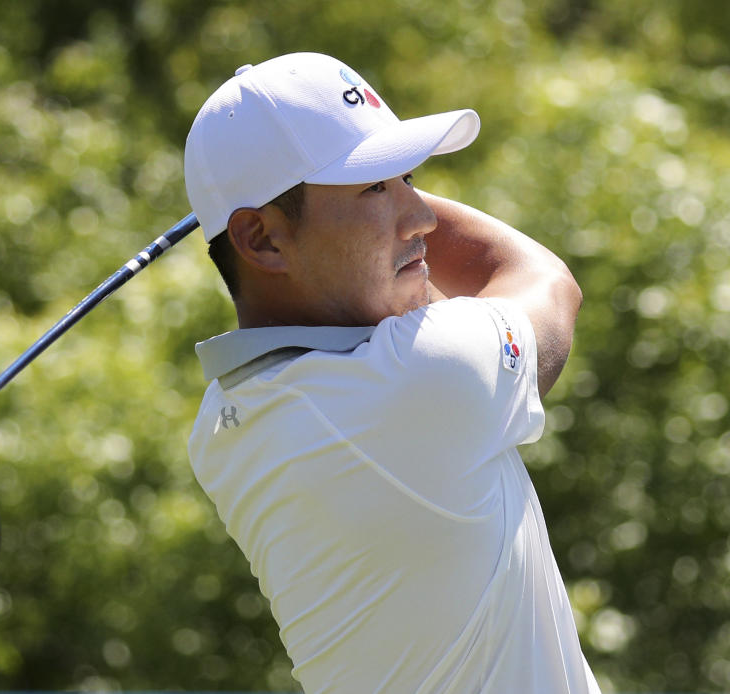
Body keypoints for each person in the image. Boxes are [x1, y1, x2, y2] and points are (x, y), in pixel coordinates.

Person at [184, 52, 597, 694]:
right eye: (378, 188)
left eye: (409, 178)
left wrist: (290, 194)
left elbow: (386, 289)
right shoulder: (425, 378)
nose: (423, 216)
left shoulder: (222, 422)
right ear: (262, 241)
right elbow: (543, 280)